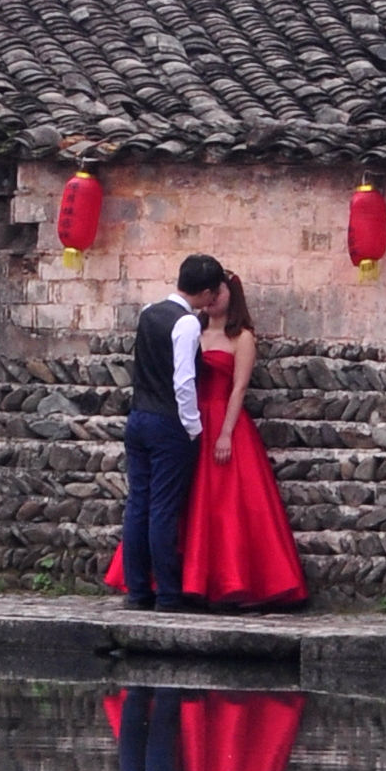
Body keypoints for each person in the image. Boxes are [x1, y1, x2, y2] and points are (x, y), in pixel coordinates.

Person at [108, 264, 311, 608]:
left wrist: (226, 433)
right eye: (212, 291)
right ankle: (167, 584)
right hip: (184, 419)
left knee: (216, 508)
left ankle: (217, 582)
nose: (216, 298)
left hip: (219, 421)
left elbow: (239, 387)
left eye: (222, 291)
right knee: (168, 506)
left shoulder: (241, 337)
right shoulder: (188, 326)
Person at [118, 253, 228, 608]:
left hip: (138, 416)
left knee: (138, 504)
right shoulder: (186, 324)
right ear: (208, 292)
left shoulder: (150, 312)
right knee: (163, 507)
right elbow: (184, 381)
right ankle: (167, 591)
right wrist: (193, 426)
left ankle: (137, 590)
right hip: (168, 421)